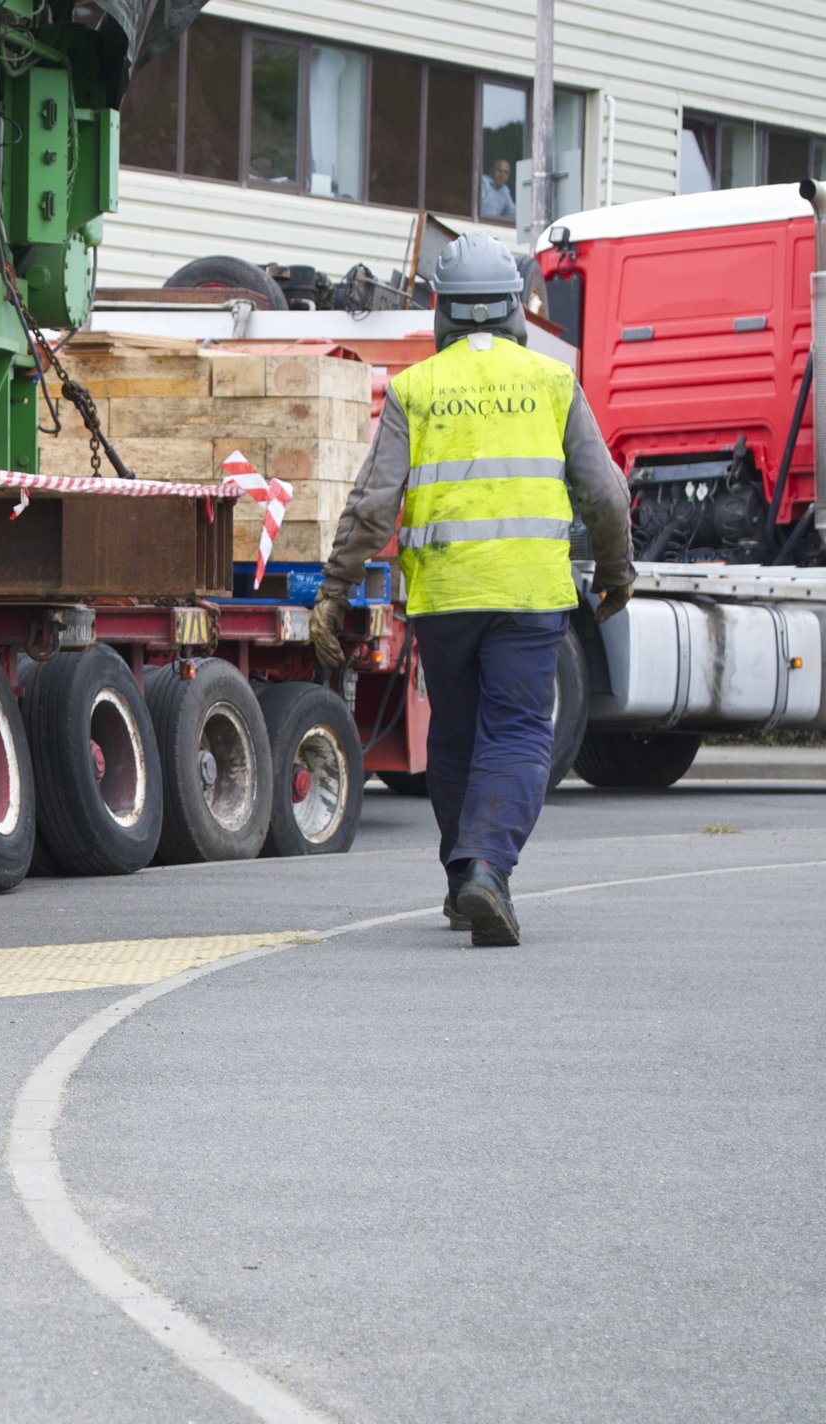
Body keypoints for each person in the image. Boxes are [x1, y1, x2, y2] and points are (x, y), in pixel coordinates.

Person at [308, 232, 633, 946]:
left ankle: (464, 881)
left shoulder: (416, 389)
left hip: (446, 603)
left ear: (441, 312)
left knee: (454, 738)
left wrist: (335, 589)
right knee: (516, 733)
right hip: (528, 601)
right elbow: (605, 494)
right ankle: (488, 868)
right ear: (516, 309)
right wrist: (617, 573)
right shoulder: (552, 382)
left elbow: (373, 504)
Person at [480, 158, 517, 223]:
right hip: (479, 223)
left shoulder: (505, 190)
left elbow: (512, 212)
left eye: (506, 173)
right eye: (499, 170)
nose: (502, 175)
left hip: (493, 226)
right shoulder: (483, 182)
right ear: (491, 171)